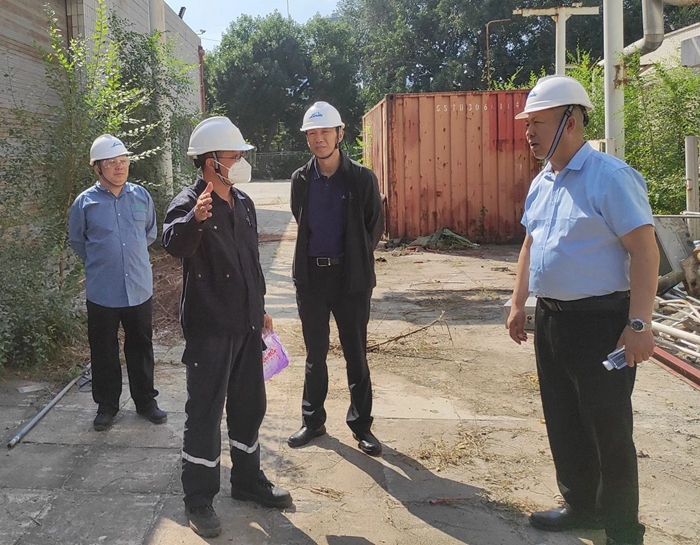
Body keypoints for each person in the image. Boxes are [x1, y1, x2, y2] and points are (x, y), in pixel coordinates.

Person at [506, 76, 658, 545]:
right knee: (564, 419)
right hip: (553, 320)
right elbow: (530, 245)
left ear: (570, 121)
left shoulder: (609, 177)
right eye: (527, 124)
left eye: (538, 122)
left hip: (601, 324)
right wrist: (518, 303)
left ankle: (623, 529)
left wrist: (639, 324)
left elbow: (645, 251)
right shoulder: (543, 182)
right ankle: (581, 506)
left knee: (608, 427)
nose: (529, 132)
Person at [162, 116, 292, 538]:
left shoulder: (244, 203)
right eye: (234, 156)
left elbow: (251, 262)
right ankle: (199, 499)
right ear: (210, 161)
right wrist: (194, 220)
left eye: (239, 155)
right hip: (210, 328)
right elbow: (172, 243)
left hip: (247, 325)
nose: (240, 162)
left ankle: (248, 481)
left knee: (249, 406)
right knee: (204, 413)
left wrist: (261, 308)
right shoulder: (188, 203)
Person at [287, 101, 384, 456]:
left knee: (355, 353)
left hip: (350, 279)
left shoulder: (361, 178)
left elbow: (373, 226)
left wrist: (354, 259)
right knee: (315, 354)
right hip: (312, 278)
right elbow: (301, 219)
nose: (319, 139)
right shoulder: (301, 179)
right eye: (312, 133)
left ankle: (362, 426)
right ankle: (312, 421)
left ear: (340, 134)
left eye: (325, 131)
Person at [68, 134, 167, 432]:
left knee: (141, 347)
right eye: (111, 162)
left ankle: (146, 402)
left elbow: (149, 233)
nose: (119, 167)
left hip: (138, 289)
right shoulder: (85, 203)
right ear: (97, 168)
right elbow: (78, 241)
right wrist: (105, 262)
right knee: (103, 350)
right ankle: (107, 406)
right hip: (103, 291)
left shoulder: (141, 196)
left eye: (123, 161)